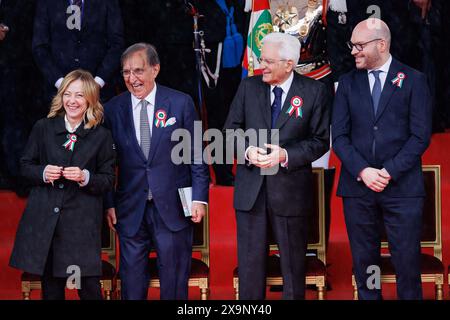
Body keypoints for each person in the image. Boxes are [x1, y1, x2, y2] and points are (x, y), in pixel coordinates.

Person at [223, 32, 330, 300]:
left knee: (293, 270)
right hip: (251, 192)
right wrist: (247, 151)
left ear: (289, 64)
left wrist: (284, 155)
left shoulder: (314, 91)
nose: (262, 66)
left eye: (269, 61)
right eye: (261, 59)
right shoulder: (249, 87)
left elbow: (320, 141)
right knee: (250, 270)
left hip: (290, 191)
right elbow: (229, 131)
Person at [332, 18, 432, 299]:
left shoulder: (414, 80)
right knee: (366, 269)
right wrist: (364, 170)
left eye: (360, 45)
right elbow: (339, 136)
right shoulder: (347, 84)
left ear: (382, 44)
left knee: (407, 268)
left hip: (402, 190)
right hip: (358, 189)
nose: (353, 51)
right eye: (352, 45)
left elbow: (420, 136)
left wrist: (387, 172)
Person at [104, 43, 209, 300]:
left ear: (155, 69)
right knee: (131, 285)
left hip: (172, 207)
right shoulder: (112, 109)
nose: (132, 79)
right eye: (126, 72)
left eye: (138, 71)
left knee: (173, 284)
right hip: (130, 209)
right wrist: (108, 203)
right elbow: (104, 162)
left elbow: (196, 153)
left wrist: (199, 198)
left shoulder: (180, 103)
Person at [9, 69, 116, 300]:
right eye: (67, 94)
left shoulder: (102, 136)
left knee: (89, 289)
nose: (72, 101)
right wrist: (44, 172)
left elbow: (108, 179)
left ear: (89, 99)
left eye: (79, 95)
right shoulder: (43, 128)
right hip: (46, 224)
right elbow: (25, 167)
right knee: (52, 290)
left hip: (82, 227)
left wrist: (85, 177)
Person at [32, 0, 124, 103]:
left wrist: (97, 83)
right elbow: (39, 47)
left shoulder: (108, 2)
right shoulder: (46, 3)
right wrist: (61, 83)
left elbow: (117, 45)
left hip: (100, 95)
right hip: (58, 95)